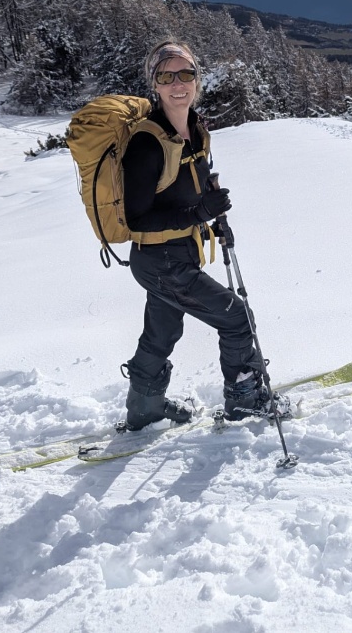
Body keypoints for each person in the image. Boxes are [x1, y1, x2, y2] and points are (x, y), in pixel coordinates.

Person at [119, 40, 273, 430]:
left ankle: (144, 408)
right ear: (154, 83)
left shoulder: (195, 129)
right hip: (160, 260)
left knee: (163, 330)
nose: (177, 84)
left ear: (197, 79)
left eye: (185, 74)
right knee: (236, 317)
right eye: (166, 76)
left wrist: (213, 215)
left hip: (177, 254)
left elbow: (195, 187)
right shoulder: (146, 142)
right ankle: (245, 400)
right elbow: (136, 219)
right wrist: (199, 212)